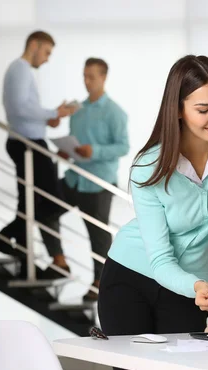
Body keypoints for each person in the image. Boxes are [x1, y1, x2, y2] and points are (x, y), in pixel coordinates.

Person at [98, 55, 208, 370]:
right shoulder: (147, 167)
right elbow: (161, 260)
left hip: (192, 291)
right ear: (178, 109)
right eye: (204, 109)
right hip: (131, 276)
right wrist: (196, 284)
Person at [0, 31, 77, 277]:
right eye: (47, 52)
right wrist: (51, 113)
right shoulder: (20, 68)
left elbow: (24, 111)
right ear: (34, 45)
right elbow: (18, 107)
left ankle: (19, 249)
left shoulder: (22, 70)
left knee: (29, 202)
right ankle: (4, 237)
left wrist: (48, 119)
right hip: (27, 144)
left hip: (29, 139)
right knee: (51, 201)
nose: (47, 59)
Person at [56, 58, 129, 301]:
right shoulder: (77, 110)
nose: (87, 81)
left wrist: (95, 151)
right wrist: (67, 150)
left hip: (99, 183)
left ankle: (101, 284)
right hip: (75, 177)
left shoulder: (115, 112)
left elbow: (123, 146)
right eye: (84, 76)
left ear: (104, 78)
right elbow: (74, 138)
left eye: (92, 77)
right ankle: (58, 260)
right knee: (44, 207)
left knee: (97, 235)